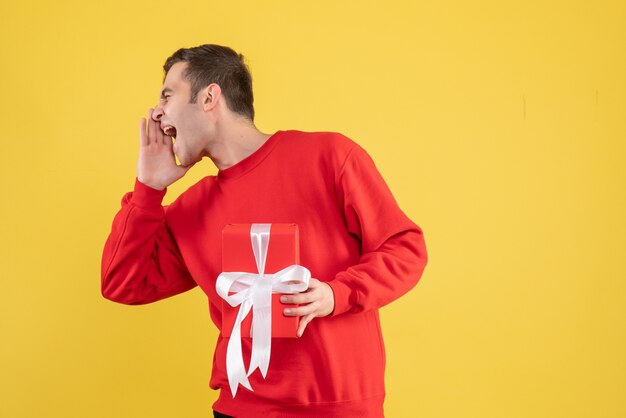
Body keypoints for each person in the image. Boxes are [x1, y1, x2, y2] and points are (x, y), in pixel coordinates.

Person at [101, 44, 428, 418]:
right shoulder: (191, 208)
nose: (157, 112)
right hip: (241, 408)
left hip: (338, 407)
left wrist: (337, 295)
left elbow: (405, 248)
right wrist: (148, 189)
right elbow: (121, 282)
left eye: (167, 95)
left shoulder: (331, 156)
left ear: (209, 97)